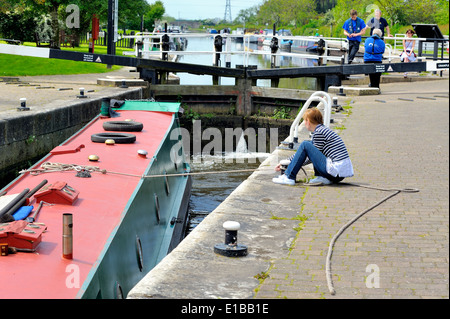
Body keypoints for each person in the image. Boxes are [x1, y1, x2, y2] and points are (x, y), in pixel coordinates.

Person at [272, 108, 354, 186]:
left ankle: (289, 177)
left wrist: (289, 165)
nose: (304, 123)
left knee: (305, 144)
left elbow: (310, 157)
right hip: (338, 174)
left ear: (308, 121)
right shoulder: (322, 130)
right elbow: (312, 154)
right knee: (308, 144)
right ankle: (321, 177)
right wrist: (288, 161)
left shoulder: (319, 132)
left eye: (304, 120)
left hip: (335, 172)